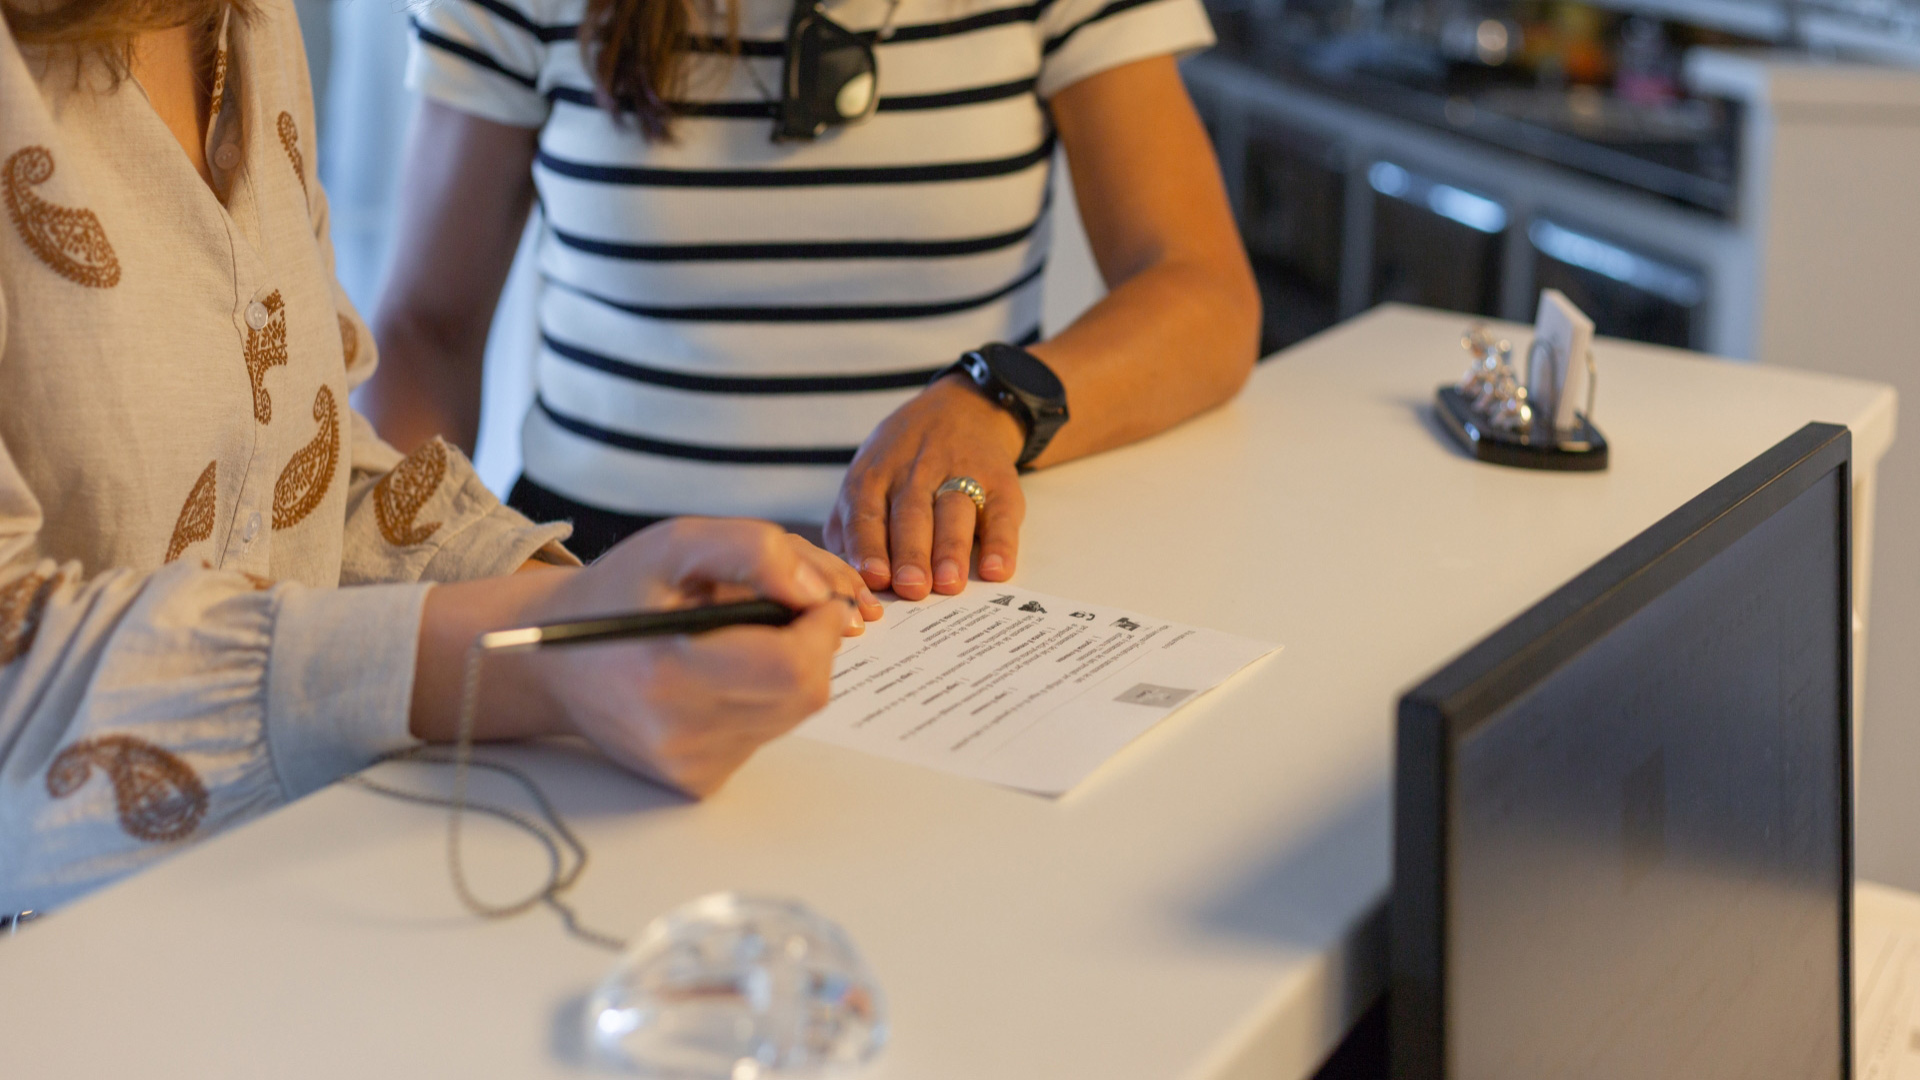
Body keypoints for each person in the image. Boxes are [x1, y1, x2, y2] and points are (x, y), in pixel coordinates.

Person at [0, 0, 881, 916]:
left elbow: (305, 470)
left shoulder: (245, 22)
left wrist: (592, 609)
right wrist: (527, 656)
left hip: (253, 905)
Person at [361, 0, 1260, 596]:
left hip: (933, 577)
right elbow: (428, 332)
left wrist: (1000, 399)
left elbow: (1202, 291)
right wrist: (399, 599)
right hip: (591, 570)